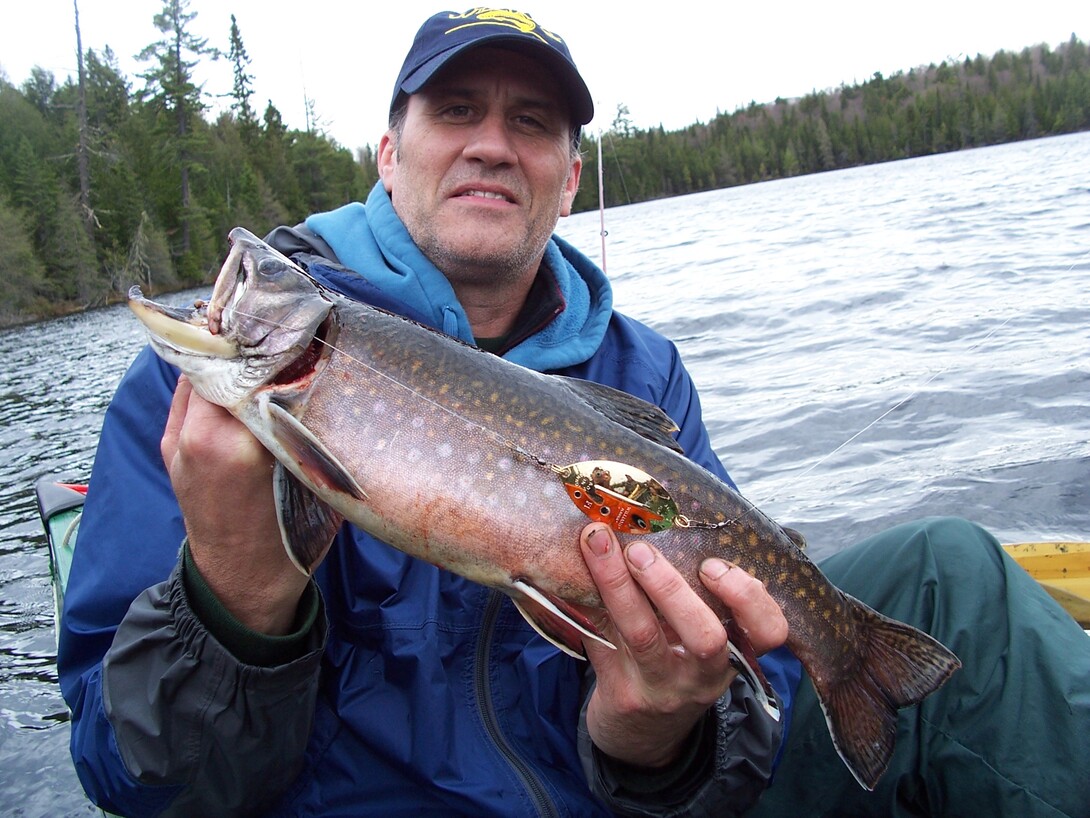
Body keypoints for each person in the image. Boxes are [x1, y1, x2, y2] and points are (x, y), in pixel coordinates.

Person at [57, 8, 1089, 818]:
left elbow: (730, 735)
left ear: (570, 175)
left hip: (600, 797)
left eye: (532, 123)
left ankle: (853, 649)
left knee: (951, 572)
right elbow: (134, 778)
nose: (492, 146)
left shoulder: (641, 377)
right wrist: (233, 595)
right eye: (455, 109)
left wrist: (657, 728)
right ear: (387, 150)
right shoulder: (192, 408)